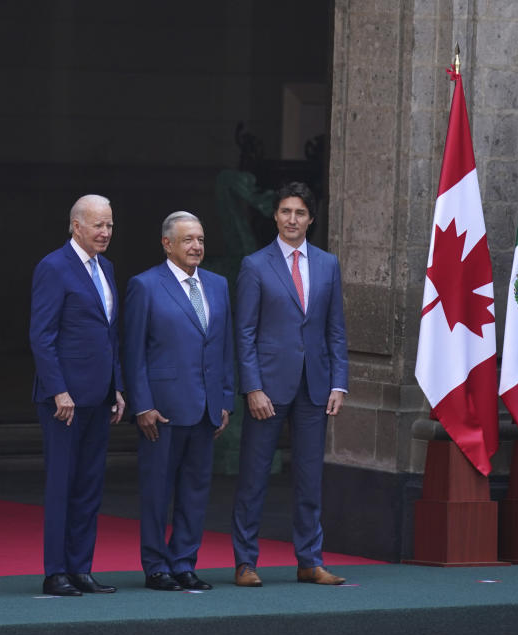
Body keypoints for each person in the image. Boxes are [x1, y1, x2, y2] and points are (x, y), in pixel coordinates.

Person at [231, 181, 348, 587]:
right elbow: (243, 332)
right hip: (268, 388)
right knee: (254, 476)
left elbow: (335, 330)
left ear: (310, 219)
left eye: (299, 213)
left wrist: (339, 383)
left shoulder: (328, 264)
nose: (292, 219)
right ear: (275, 216)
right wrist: (253, 387)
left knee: (309, 477)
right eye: (285, 212)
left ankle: (309, 560)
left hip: (315, 387)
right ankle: (245, 562)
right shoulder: (254, 264)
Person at [123, 211, 234, 591]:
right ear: (167, 244)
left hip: (205, 409)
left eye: (200, 239)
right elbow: (133, 351)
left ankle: (185, 562)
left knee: (195, 489)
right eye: (187, 239)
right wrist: (142, 405)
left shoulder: (218, 286)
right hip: (162, 410)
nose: (196, 246)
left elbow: (224, 347)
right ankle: (156, 566)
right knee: (157, 490)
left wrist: (224, 399)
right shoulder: (145, 285)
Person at [30, 194, 125, 596]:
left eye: (109, 225)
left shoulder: (106, 268)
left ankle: (81, 568)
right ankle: (56, 572)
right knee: (62, 484)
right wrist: (58, 390)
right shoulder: (53, 267)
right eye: (97, 225)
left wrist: (117, 386)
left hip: (99, 396)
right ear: (76, 226)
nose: (105, 232)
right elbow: (41, 335)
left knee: (89, 485)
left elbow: (109, 335)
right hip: (64, 401)